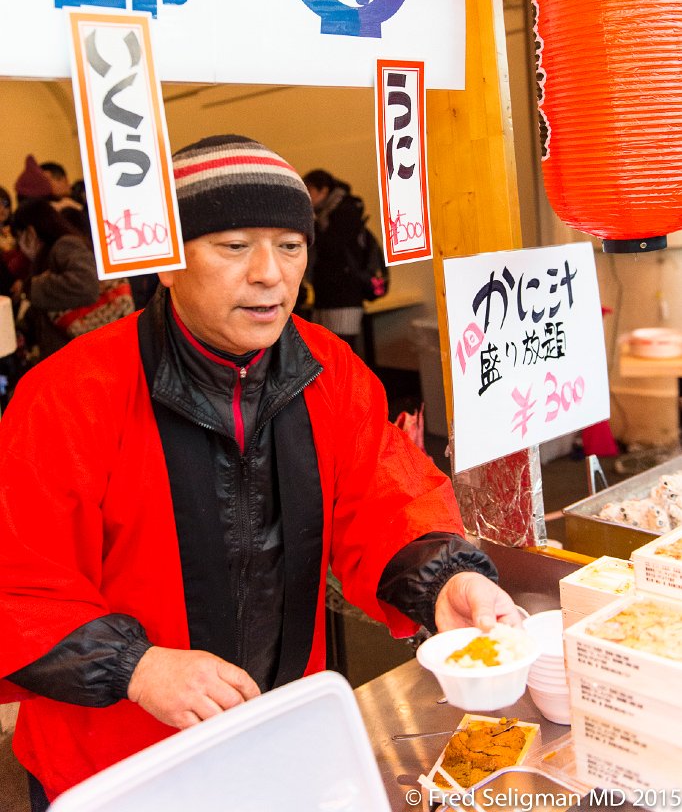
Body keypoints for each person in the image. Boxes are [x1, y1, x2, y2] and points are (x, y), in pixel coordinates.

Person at [0, 135, 520, 809]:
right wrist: (137, 666)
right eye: (235, 245)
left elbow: (387, 499)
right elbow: (20, 583)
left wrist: (446, 580)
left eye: (290, 245)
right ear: (166, 261)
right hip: (111, 764)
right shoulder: (70, 396)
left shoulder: (332, 373)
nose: (270, 273)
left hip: (282, 733)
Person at [10, 199, 100, 358]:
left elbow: (87, 285)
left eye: (19, 237)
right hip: (69, 352)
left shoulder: (65, 245)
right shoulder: (47, 254)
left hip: (79, 353)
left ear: (30, 232)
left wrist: (30, 287)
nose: (20, 247)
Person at [302, 168, 368, 352]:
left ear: (323, 191)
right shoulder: (324, 213)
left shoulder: (346, 211)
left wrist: (312, 222)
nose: (307, 196)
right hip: (325, 294)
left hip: (344, 294)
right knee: (324, 351)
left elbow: (330, 247)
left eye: (310, 190)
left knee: (342, 351)